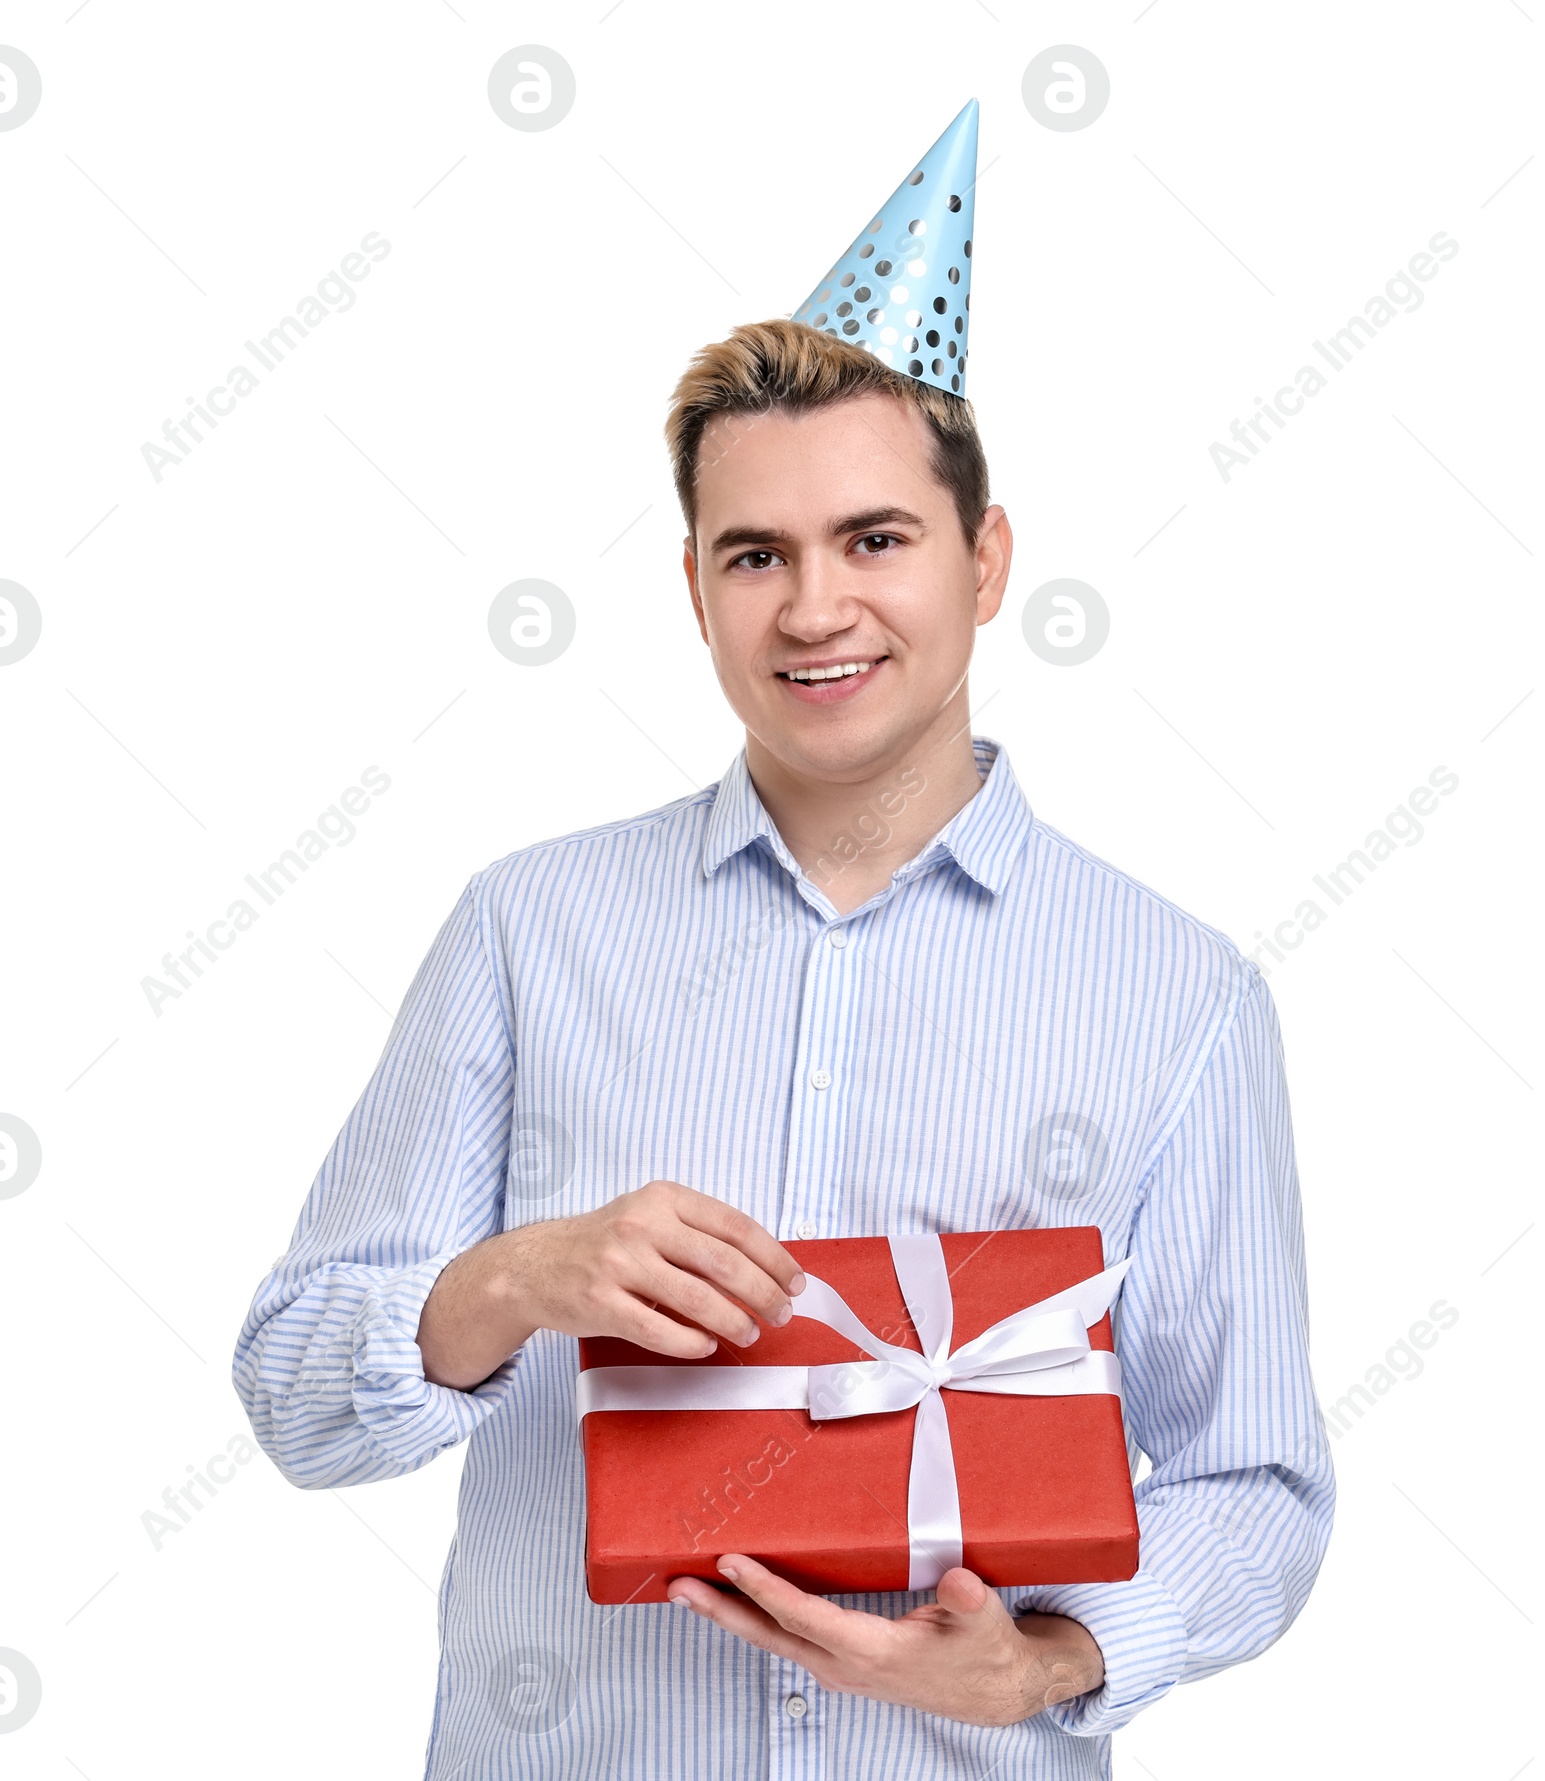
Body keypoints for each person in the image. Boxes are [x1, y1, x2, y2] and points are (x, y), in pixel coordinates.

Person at [234, 103, 1333, 1781]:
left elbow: (1253, 1480)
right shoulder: (531, 934)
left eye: (874, 539)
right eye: (758, 554)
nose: (815, 609)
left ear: (987, 557)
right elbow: (298, 1393)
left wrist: (1051, 1659)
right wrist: (513, 1280)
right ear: (694, 589)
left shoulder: (1177, 996)